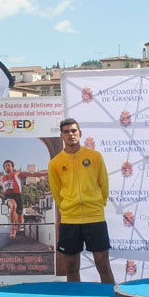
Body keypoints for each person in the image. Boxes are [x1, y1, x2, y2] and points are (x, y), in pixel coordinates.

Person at [47, 118, 116, 284]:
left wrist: (97, 205)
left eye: (73, 131)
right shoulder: (55, 163)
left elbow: (104, 186)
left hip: (95, 218)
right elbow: (56, 193)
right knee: (71, 267)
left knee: (103, 264)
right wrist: (67, 209)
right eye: (66, 132)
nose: (70, 134)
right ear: (61, 136)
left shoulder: (95, 157)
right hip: (70, 220)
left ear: (80, 133)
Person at [0, 159, 47, 239]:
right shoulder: (3, 177)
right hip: (8, 196)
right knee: (13, 206)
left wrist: (46, 172)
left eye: (8, 165)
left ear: (12, 167)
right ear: (4, 168)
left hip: (18, 196)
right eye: (5, 166)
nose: (7, 166)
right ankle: (13, 229)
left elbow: (32, 174)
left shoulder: (17, 173)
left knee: (20, 222)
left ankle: (17, 226)